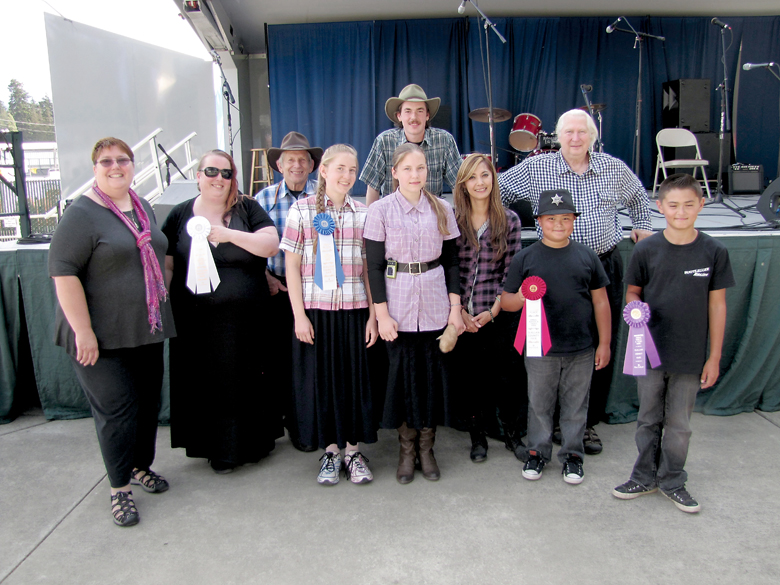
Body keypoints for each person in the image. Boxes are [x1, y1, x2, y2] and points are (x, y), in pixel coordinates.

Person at [499, 108, 653, 455]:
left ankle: (585, 425)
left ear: (592, 136)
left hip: (601, 269)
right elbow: (499, 191)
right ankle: (547, 422)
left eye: (582, 132)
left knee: (597, 347)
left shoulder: (613, 168)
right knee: (548, 350)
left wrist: (643, 224)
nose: (575, 138)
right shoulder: (538, 167)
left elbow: (640, 198)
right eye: (568, 132)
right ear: (557, 136)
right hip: (551, 271)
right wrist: (498, 224)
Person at [49, 137, 176, 527]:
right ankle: (119, 488)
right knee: (116, 412)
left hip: (144, 330)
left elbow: (157, 255)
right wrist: (82, 330)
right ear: (95, 168)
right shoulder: (82, 213)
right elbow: (63, 272)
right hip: (101, 338)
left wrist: (162, 288)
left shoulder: (142, 208)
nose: (115, 166)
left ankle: (140, 466)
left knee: (146, 406)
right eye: (106, 161)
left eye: (123, 160)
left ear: (133, 165)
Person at [613, 173, 734, 513]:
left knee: (679, 424)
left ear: (701, 205)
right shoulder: (646, 248)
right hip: (649, 351)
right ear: (660, 206)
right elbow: (633, 291)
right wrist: (633, 309)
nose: (681, 212)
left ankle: (673, 479)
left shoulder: (714, 251)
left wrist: (714, 357)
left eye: (689, 205)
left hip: (690, 355)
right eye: (673, 205)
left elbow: (718, 304)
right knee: (648, 417)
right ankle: (644, 476)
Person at [162, 149, 281, 474]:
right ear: (198, 176)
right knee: (206, 381)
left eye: (226, 173)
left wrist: (228, 235)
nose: (219, 179)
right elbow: (168, 265)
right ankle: (216, 448)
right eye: (211, 172)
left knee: (245, 379)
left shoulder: (248, 208)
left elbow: (270, 245)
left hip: (247, 319)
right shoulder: (179, 214)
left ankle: (251, 444)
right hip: (196, 320)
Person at [364, 143, 466, 484]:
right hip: (398, 305)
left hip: (436, 304)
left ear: (428, 172)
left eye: (420, 168)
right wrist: (382, 314)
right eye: (406, 169)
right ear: (394, 173)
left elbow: (452, 261)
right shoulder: (379, 211)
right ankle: (407, 451)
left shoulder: (442, 208)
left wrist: (455, 310)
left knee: (430, 382)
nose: (414, 175)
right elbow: (374, 266)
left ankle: (427, 448)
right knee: (404, 382)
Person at [280, 144, 379, 485]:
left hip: (354, 311)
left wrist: (372, 315)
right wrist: (299, 315)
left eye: (352, 170)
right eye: (340, 169)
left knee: (353, 381)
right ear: (323, 171)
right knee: (321, 382)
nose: (346, 176)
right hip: (316, 312)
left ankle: (353, 451)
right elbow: (291, 265)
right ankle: (331, 452)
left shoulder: (363, 213)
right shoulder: (302, 210)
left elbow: (369, 268)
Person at [501, 189, 611, 485]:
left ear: (574, 220)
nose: (558, 224)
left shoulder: (586, 255)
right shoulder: (526, 258)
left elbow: (601, 301)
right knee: (539, 404)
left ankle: (573, 456)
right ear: (539, 221)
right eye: (551, 219)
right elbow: (507, 301)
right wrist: (524, 297)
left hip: (581, 348)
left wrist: (605, 343)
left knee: (576, 406)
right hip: (539, 349)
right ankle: (537, 452)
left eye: (565, 218)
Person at [452, 153, 525, 463]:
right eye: (472, 177)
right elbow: (450, 269)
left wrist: (494, 310)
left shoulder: (509, 220)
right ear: (463, 184)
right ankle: (477, 436)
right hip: (464, 317)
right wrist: (461, 312)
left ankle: (512, 434)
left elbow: (512, 273)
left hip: (497, 315)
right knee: (471, 380)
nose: (479, 182)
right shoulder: (453, 221)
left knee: (506, 379)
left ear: (493, 179)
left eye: (485, 175)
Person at [255, 131, 322, 452]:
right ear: (279, 165)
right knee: (278, 360)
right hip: (276, 290)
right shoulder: (262, 200)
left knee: (307, 362)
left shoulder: (323, 197)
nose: (296, 165)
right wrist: (263, 276)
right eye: (290, 160)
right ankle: (277, 422)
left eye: (302, 160)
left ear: (311, 165)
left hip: (315, 294)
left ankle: (303, 424)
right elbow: (250, 248)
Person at [360, 83, 462, 205]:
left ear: (427, 115)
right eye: (408, 111)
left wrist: (456, 220)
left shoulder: (444, 140)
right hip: (393, 217)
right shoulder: (384, 141)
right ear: (399, 116)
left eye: (420, 111)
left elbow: (458, 184)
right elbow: (373, 186)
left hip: (431, 217)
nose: (414, 117)